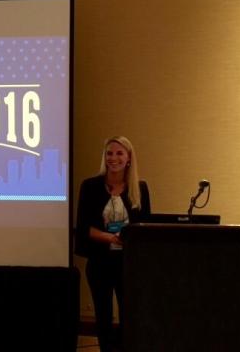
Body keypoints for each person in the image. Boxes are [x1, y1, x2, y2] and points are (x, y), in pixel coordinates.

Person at [75, 136, 151, 352]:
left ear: (128, 158)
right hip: (100, 262)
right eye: (109, 153)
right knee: (104, 316)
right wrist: (111, 238)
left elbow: (145, 226)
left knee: (130, 315)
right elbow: (83, 228)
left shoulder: (140, 189)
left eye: (119, 153)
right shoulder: (90, 186)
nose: (113, 158)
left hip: (128, 264)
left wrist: (129, 239)